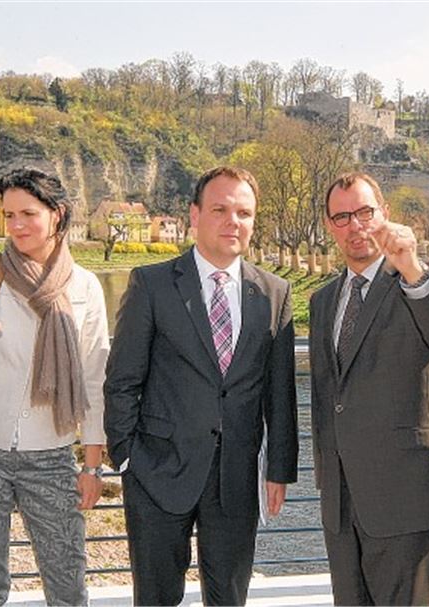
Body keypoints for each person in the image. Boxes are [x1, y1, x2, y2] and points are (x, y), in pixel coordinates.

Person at [104, 166, 298, 606]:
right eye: (221, 209)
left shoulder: (274, 293)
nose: (234, 221)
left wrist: (280, 470)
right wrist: (127, 456)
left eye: (244, 213)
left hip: (236, 478)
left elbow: (280, 394)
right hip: (157, 471)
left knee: (229, 598)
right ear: (194, 215)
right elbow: (122, 379)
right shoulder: (152, 284)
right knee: (155, 598)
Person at [309, 172, 429, 605]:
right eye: (342, 216)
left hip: (409, 497)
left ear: (385, 213)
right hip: (342, 504)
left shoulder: (424, 275)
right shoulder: (323, 301)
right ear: (330, 226)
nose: (356, 225)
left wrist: (411, 268)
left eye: (365, 212)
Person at [0, 168, 109, 606]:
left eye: (28, 213)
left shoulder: (84, 287)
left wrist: (92, 467)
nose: (17, 225)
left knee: (67, 586)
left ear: (56, 214)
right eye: (9, 215)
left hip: (54, 456)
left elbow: (95, 379)